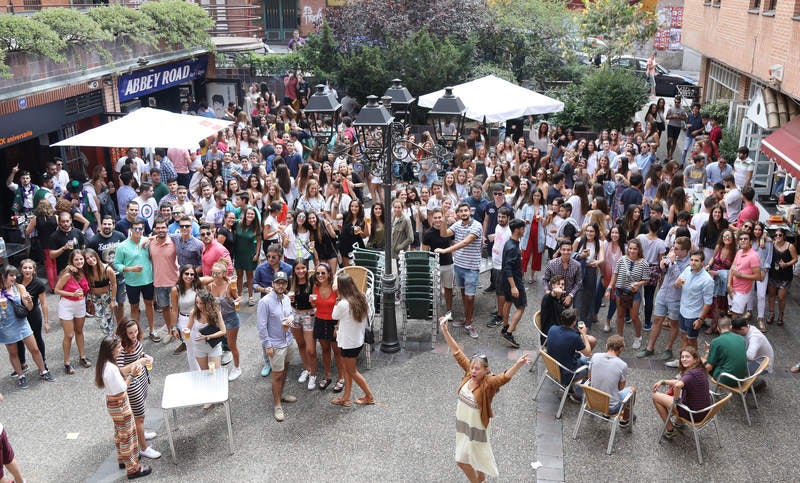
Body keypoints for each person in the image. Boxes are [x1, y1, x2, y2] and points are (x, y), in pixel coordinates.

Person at [439, 314, 530, 483]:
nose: (473, 371)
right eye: (472, 367)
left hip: (477, 428)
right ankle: (482, 481)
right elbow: (457, 352)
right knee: (472, 460)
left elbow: (503, 378)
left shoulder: (488, 384)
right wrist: (445, 330)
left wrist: (518, 364)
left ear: (486, 370)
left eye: (477, 369)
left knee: (465, 460)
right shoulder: (468, 372)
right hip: (463, 426)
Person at [94, 336, 152, 479]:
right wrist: (132, 374)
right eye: (118, 347)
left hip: (112, 404)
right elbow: (123, 388)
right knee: (128, 436)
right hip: (120, 404)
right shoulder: (112, 369)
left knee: (120, 433)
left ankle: (122, 459)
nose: (121, 349)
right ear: (111, 350)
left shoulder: (104, 364)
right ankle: (133, 468)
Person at [637, 237, 691, 361]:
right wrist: (663, 265)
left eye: (676, 249)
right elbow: (664, 270)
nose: (673, 250)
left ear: (685, 251)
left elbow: (681, 280)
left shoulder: (689, 264)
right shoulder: (673, 256)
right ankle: (650, 348)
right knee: (656, 320)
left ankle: (669, 348)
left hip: (675, 297)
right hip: (663, 293)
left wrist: (674, 263)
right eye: (673, 247)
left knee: (673, 323)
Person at [435, 202, 483, 339]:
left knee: (470, 296)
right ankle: (467, 318)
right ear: (457, 214)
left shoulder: (477, 226)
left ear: (470, 212)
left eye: (465, 211)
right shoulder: (457, 224)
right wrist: (444, 218)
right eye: (461, 211)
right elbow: (444, 234)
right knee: (463, 294)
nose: (463, 213)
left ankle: (468, 323)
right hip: (459, 266)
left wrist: (445, 250)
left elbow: (465, 242)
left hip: (472, 267)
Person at [0, 265, 53, 388]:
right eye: (11, 275)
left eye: (15, 275)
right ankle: (21, 376)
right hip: (6, 326)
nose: (14, 278)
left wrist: (28, 301)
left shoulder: (19, 288)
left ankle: (43, 371)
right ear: (3, 276)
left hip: (22, 323)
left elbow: (28, 308)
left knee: (34, 349)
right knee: (13, 353)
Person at [115, 319, 159, 461]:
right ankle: (144, 448)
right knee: (139, 416)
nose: (134, 335)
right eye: (130, 333)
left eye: (135, 331)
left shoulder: (136, 340)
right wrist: (138, 362)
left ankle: (141, 434)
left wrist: (146, 357)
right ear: (124, 333)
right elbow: (120, 370)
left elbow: (140, 354)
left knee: (140, 414)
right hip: (132, 383)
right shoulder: (121, 347)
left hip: (141, 379)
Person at [256, 271, 298, 422]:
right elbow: (261, 327)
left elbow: (291, 314)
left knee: (285, 370)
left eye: (283, 283)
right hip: (275, 344)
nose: (281, 285)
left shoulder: (286, 299)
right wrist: (267, 345)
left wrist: (290, 319)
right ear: (273, 284)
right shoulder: (265, 302)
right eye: (278, 282)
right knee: (277, 374)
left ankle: (281, 394)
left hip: (288, 341)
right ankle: (277, 404)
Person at [330, 272, 375, 407]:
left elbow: (333, 315)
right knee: (346, 369)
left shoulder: (343, 303)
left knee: (352, 371)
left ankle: (369, 396)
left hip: (348, 342)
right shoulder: (360, 298)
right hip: (356, 340)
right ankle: (346, 397)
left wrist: (337, 299)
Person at [114, 220, 160, 343]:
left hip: (148, 280)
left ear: (143, 230)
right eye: (135, 229)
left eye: (140, 229)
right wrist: (130, 268)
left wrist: (149, 238)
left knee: (149, 305)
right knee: (134, 307)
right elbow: (117, 264)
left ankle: (152, 330)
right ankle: (136, 333)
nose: (138, 231)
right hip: (131, 282)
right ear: (131, 230)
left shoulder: (147, 242)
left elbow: (160, 236)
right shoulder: (122, 246)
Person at [652, 346, 711, 439]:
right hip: (705, 412)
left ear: (695, 359)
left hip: (692, 414)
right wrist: (664, 381)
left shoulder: (690, 374)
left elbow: (678, 385)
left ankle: (670, 430)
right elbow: (680, 382)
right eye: (682, 357)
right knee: (685, 396)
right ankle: (679, 422)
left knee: (655, 396)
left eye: (687, 357)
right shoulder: (700, 370)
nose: (684, 359)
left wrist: (675, 400)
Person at [201, 260, 242, 381]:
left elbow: (238, 298)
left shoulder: (230, 286)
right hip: (216, 319)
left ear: (224, 274)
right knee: (212, 345)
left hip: (230, 318)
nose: (214, 275)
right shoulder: (210, 285)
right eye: (213, 273)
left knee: (231, 345)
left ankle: (237, 368)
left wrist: (237, 301)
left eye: (217, 273)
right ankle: (213, 369)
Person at [605, 238, 649, 348]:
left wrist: (638, 284)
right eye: (630, 248)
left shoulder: (644, 263)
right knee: (620, 315)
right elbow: (615, 274)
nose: (632, 251)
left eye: (635, 249)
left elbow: (647, 280)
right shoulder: (622, 260)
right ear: (627, 249)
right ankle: (620, 338)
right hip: (620, 291)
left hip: (634, 293)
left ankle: (638, 337)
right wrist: (609, 287)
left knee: (634, 317)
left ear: (639, 250)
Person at [55, 250, 92, 375]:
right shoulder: (67, 274)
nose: (79, 262)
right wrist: (72, 293)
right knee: (69, 335)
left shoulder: (84, 271)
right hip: (67, 305)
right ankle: (67, 362)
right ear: (72, 261)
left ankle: (82, 356)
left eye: (81, 259)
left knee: (80, 331)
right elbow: (56, 290)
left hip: (80, 304)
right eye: (76, 259)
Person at [547, 308, 595, 400]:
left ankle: (571, 389)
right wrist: (584, 334)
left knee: (584, 360)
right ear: (574, 322)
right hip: (566, 373)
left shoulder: (552, 328)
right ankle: (578, 392)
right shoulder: (574, 337)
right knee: (591, 367)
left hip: (552, 366)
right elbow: (588, 353)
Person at [310, 262, 344, 392]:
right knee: (325, 350)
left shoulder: (336, 288)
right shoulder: (315, 287)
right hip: (320, 320)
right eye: (317, 273)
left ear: (329, 274)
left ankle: (341, 378)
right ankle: (328, 376)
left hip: (333, 322)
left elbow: (342, 307)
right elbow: (315, 305)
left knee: (337, 352)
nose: (320, 275)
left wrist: (338, 326)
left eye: (323, 273)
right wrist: (313, 305)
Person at [87, 216, 128, 324]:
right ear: (101, 225)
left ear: (113, 225)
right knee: (108, 305)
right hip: (103, 279)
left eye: (109, 224)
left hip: (119, 276)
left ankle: (121, 325)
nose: (107, 226)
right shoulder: (93, 241)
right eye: (104, 224)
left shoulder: (120, 236)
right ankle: (110, 328)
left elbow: (127, 252)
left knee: (120, 302)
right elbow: (88, 258)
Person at [589, 335, 636, 427]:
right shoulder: (622, 365)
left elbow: (590, 378)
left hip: (591, 400)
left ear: (606, 346)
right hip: (610, 407)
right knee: (632, 390)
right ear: (621, 348)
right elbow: (620, 388)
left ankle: (606, 414)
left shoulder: (595, 356)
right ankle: (625, 419)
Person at [15, 260, 50, 378]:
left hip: (33, 313)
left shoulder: (38, 284)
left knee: (37, 338)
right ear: (21, 269)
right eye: (25, 268)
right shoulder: (16, 280)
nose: (27, 270)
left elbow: (44, 303)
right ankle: (23, 364)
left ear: (34, 270)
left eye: (30, 268)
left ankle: (43, 362)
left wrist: (46, 322)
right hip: (18, 313)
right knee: (18, 339)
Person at [289, 259, 318, 391]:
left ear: (307, 268)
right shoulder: (291, 282)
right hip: (295, 314)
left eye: (303, 268)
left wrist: (314, 303)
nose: (301, 271)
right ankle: (307, 369)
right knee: (300, 345)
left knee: (311, 349)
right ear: (294, 270)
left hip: (309, 315)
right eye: (298, 269)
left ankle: (313, 374)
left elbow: (331, 278)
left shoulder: (312, 281)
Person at [148, 218, 179, 339]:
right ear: (154, 229)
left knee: (177, 308)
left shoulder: (174, 241)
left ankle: (179, 331)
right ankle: (170, 331)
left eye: (163, 227)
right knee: (165, 308)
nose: (161, 230)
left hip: (174, 282)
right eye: (158, 228)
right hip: (159, 282)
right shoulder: (150, 243)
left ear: (167, 228)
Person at [500, 219, 527, 348]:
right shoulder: (512, 247)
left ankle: (505, 326)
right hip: (514, 281)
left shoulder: (511, 243)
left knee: (508, 302)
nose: (524, 231)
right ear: (517, 230)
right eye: (523, 228)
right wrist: (514, 287)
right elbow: (508, 267)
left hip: (507, 279)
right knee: (521, 307)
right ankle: (509, 333)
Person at [423, 208, 455, 314]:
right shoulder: (427, 233)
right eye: (435, 218)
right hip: (435, 265)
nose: (437, 220)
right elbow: (425, 253)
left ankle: (449, 311)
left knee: (448, 289)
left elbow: (454, 244)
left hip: (448, 264)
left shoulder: (449, 230)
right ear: (432, 219)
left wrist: (454, 258)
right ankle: (434, 310)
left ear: (443, 218)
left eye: (439, 217)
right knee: (434, 289)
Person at [730, 317, 773, 391]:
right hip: (756, 358)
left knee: (736, 369)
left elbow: (750, 356)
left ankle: (757, 383)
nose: (735, 335)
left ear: (742, 329)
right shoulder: (748, 328)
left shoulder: (755, 337)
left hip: (761, 363)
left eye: (736, 332)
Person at [727, 230, 762, 318]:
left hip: (742, 292)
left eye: (745, 239)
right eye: (741, 239)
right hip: (733, 288)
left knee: (735, 317)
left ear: (750, 242)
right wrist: (729, 285)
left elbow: (758, 276)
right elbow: (732, 268)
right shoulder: (739, 252)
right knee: (731, 313)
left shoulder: (753, 256)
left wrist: (741, 275)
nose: (743, 240)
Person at [83, 248, 118, 336]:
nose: (90, 260)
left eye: (91, 256)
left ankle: (111, 339)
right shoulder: (86, 271)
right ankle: (109, 337)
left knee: (109, 319)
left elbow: (114, 284)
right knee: (100, 319)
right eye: (87, 258)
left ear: (96, 256)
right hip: (94, 297)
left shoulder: (107, 269)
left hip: (106, 296)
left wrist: (113, 300)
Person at [705, 317, 748, 386]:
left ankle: (702, 386)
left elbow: (709, 366)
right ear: (731, 327)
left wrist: (708, 352)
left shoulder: (716, 342)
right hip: (741, 377)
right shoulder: (741, 338)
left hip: (727, 379)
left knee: (705, 364)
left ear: (718, 328)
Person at [767, 228, 797, 326]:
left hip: (785, 276)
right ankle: (771, 314)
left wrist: (786, 264)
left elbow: (795, 259)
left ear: (784, 236)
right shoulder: (772, 244)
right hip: (773, 274)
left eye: (780, 235)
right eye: (776, 235)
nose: (778, 237)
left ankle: (780, 316)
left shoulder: (790, 246)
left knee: (781, 297)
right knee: (771, 295)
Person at [234, 206, 261, 306]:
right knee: (239, 276)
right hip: (239, 254)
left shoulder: (256, 227)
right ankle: (239, 295)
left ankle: (251, 296)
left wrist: (257, 254)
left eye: (252, 214)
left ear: (255, 216)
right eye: (248, 213)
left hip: (250, 254)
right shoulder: (238, 223)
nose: (250, 215)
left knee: (250, 276)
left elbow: (259, 241)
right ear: (245, 215)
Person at [543, 241, 582, 309]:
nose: (566, 252)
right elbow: (545, 279)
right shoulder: (551, 263)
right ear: (560, 250)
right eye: (564, 249)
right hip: (553, 296)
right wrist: (547, 291)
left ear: (572, 251)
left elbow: (578, 282)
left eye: (568, 250)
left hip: (567, 298)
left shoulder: (577, 265)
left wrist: (571, 295)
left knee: (565, 317)